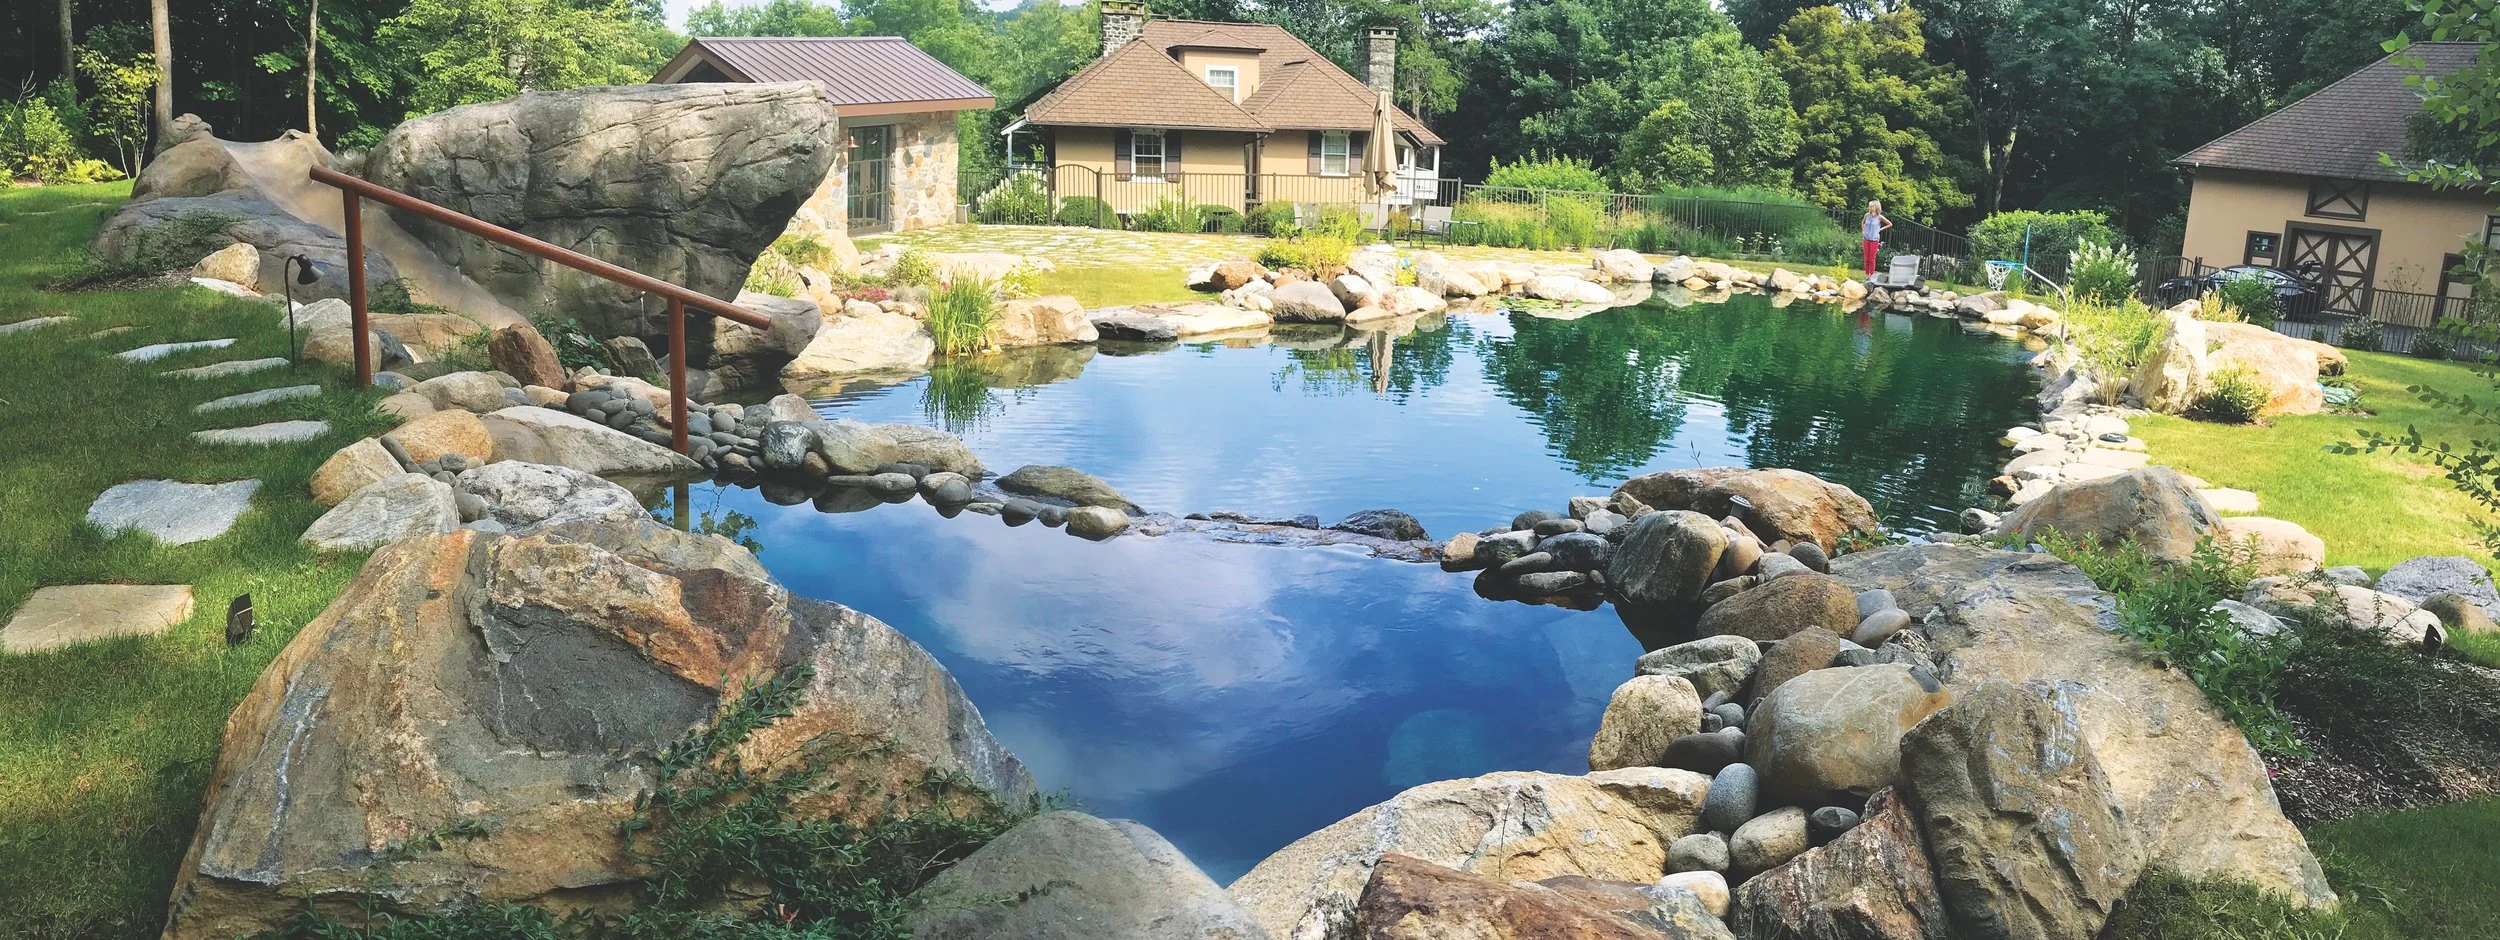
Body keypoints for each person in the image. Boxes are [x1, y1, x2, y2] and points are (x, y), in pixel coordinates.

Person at [1860, 200, 1892, 277]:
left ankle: (1871, 275)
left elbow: (1889, 224)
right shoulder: (1867, 215)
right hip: (1866, 238)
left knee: (1871, 259)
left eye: (1871, 206)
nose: (1870, 208)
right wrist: (1863, 231)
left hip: (1874, 239)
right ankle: (1866, 275)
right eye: (1869, 206)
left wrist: (1880, 229)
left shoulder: (1879, 217)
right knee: (1866, 258)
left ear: (1876, 207)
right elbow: (1862, 222)